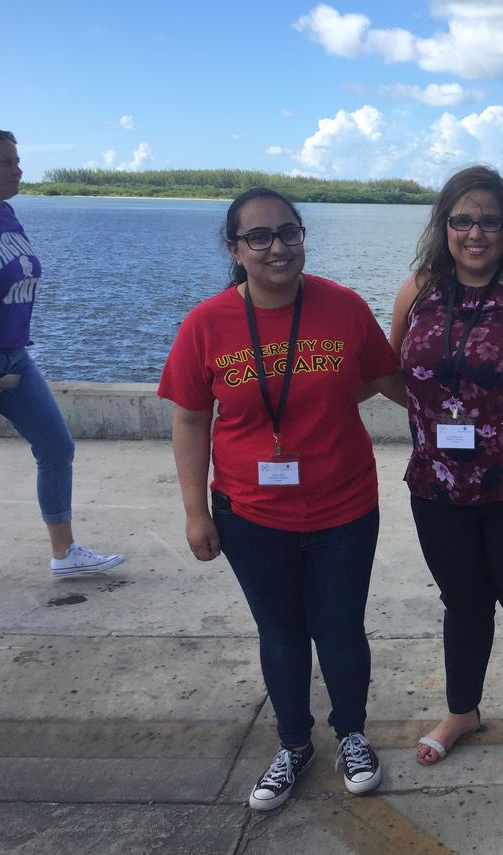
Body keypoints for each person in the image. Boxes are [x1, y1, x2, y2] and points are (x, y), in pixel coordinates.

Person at [157, 187, 405, 811]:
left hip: (344, 508)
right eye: (259, 237)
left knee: (342, 631)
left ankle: (351, 733)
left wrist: (470, 412)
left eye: (288, 232)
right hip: (250, 513)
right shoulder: (206, 323)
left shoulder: (342, 306)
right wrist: (195, 512)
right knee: (282, 634)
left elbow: (383, 377)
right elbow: (191, 421)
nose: (277, 247)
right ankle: (294, 743)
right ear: (235, 250)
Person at [389, 165, 503, 784]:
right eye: (461, 219)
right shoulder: (417, 290)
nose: (474, 233)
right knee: (462, 604)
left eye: (489, 220)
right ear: (443, 225)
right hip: (439, 486)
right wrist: (437, 417)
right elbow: (394, 372)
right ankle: (462, 712)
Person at [0, 125, 124, 597]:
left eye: (17, 161)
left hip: (15, 356)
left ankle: (64, 553)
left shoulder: (6, 214)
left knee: (57, 447)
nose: (18, 170)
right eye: (6, 162)